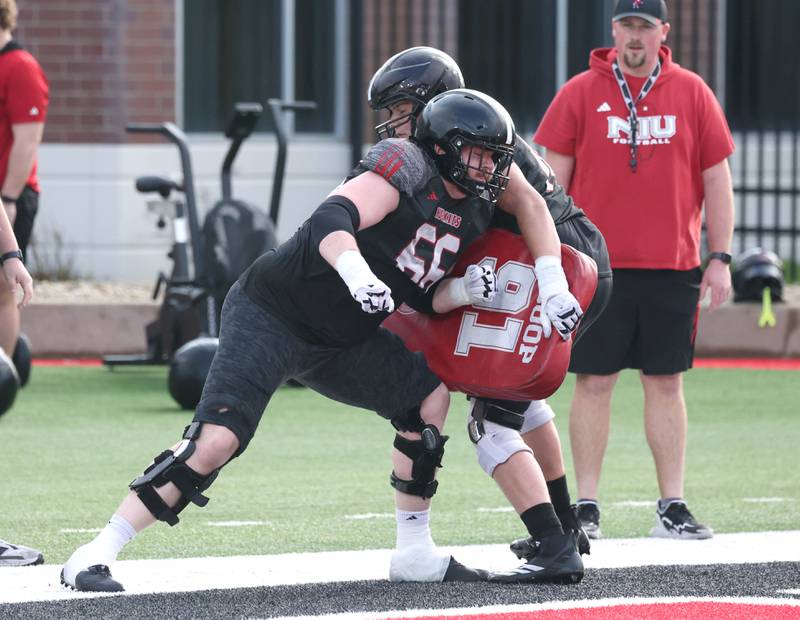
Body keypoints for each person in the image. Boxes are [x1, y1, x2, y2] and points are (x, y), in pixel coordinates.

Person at [61, 89, 584, 592]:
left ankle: (414, 552)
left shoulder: (472, 207)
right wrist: (356, 272)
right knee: (218, 441)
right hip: (275, 313)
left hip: (341, 339)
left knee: (427, 400)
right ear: (445, 148)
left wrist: (474, 289)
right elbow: (330, 219)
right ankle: (100, 548)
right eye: (480, 156)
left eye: (497, 159)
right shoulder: (408, 164)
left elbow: (426, 293)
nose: (491, 170)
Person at [367, 46, 612, 568]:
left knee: (491, 420)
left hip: (558, 263)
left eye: (397, 110)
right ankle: (564, 525)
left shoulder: (466, 136)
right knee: (520, 399)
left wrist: (550, 280)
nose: (390, 124)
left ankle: (554, 547)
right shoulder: (448, 138)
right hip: (561, 259)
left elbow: (527, 204)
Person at [533, 0, 734, 539]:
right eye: (627, 26)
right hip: (597, 268)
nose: (635, 37)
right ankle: (587, 506)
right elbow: (550, 185)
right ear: (614, 31)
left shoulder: (693, 92)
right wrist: (552, 258)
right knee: (593, 381)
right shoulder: (579, 92)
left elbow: (717, 179)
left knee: (665, 382)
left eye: (645, 27)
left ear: (663, 32)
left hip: (673, 263)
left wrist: (720, 258)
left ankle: (671, 504)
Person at [0, 0, 48, 365]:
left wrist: (9, 197)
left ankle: (3, 372)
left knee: (3, 290)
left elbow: (27, 140)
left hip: (11, 195)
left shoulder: (21, 67)